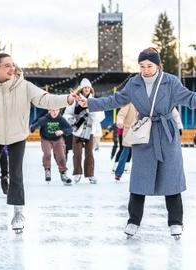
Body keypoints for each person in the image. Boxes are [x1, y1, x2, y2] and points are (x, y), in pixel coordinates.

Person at [77, 47, 196, 239]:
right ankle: (133, 221)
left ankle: (175, 222)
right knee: (140, 179)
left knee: (171, 179)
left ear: (158, 65)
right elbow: (115, 100)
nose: (145, 70)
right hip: (144, 134)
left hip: (167, 135)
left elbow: (190, 98)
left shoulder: (170, 82)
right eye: (142, 66)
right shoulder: (134, 84)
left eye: (149, 66)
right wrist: (90, 103)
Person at [0, 53, 76, 232]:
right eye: (7, 65)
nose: (12, 68)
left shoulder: (24, 86)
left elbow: (45, 99)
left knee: (16, 174)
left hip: (17, 136)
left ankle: (18, 213)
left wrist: (67, 99)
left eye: (13, 64)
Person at [64, 78, 104, 184]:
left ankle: (90, 174)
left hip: (89, 131)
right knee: (77, 153)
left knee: (89, 153)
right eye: (84, 87)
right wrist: (70, 119)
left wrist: (92, 113)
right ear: (81, 89)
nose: (86, 89)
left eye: (88, 87)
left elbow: (101, 116)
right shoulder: (75, 101)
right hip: (77, 131)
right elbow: (67, 113)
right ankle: (77, 173)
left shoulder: (94, 101)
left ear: (90, 89)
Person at [30, 108, 72, 185]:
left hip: (58, 139)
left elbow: (70, 129)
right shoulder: (44, 119)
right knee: (47, 154)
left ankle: (63, 173)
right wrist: (31, 129)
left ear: (59, 111)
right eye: (53, 110)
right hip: (46, 139)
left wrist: (62, 131)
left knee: (61, 156)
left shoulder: (61, 119)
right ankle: (47, 170)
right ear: (49, 111)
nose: (55, 112)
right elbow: (34, 125)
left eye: (56, 110)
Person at [114, 103, 137, 181]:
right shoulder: (129, 104)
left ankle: (139, 174)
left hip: (142, 132)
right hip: (129, 131)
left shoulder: (146, 102)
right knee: (125, 152)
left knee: (140, 155)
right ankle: (118, 173)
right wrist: (120, 121)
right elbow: (121, 114)